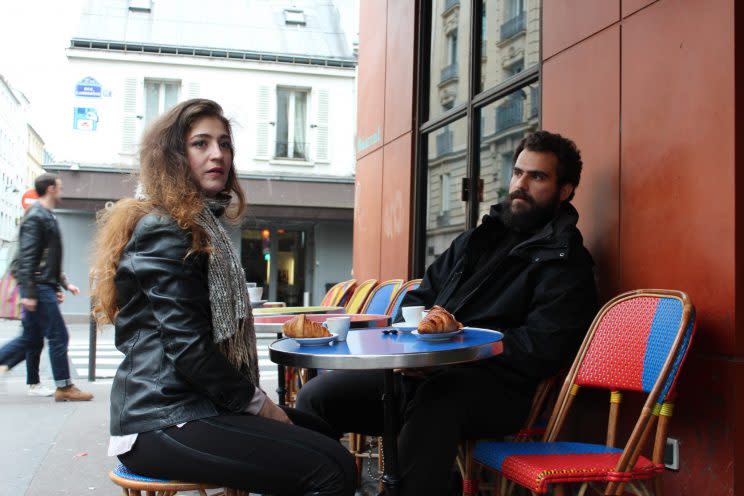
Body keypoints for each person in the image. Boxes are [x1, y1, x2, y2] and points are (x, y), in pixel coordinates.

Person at [296, 130, 599, 496]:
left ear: (565, 190)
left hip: (497, 390)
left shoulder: (567, 262)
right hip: (420, 375)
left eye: (537, 177)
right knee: (317, 396)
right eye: (518, 172)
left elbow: (544, 346)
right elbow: (417, 299)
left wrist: (454, 358)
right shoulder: (476, 240)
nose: (521, 184)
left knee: (435, 403)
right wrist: (410, 351)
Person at [91, 99, 356, 495]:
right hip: (161, 418)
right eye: (201, 143)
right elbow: (189, 349)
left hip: (190, 406)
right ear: (174, 157)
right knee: (332, 469)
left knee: (322, 434)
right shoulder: (166, 229)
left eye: (224, 143)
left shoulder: (197, 225)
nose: (218, 154)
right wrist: (257, 403)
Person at [0, 173, 92, 401]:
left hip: (42, 284)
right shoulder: (37, 217)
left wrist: (63, 283)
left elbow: (47, 256)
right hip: (38, 287)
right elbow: (29, 257)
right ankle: (64, 386)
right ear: (50, 188)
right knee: (58, 336)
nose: (61, 191)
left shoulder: (44, 215)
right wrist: (30, 292)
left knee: (31, 339)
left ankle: (57, 385)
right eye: (59, 187)